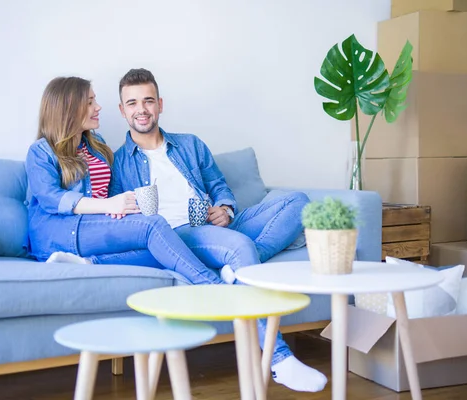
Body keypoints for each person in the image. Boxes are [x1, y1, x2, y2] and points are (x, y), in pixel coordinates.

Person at [109, 68, 327, 393]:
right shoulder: (118, 163)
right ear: (122, 110)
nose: (142, 109)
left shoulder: (190, 145)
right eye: (133, 103)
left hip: (214, 225)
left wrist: (225, 209)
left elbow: (218, 185)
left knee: (298, 202)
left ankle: (233, 268)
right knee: (239, 247)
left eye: (148, 101)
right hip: (178, 235)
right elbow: (124, 221)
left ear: (160, 104)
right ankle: (279, 359)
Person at [25, 76, 227, 287]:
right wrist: (109, 205)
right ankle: (213, 285)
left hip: (96, 225)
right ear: (69, 108)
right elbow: (51, 199)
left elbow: (108, 192)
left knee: (160, 246)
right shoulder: (41, 151)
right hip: (60, 231)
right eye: (90, 102)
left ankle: (88, 263)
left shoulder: (96, 145)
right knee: (154, 225)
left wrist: (119, 208)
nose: (98, 107)